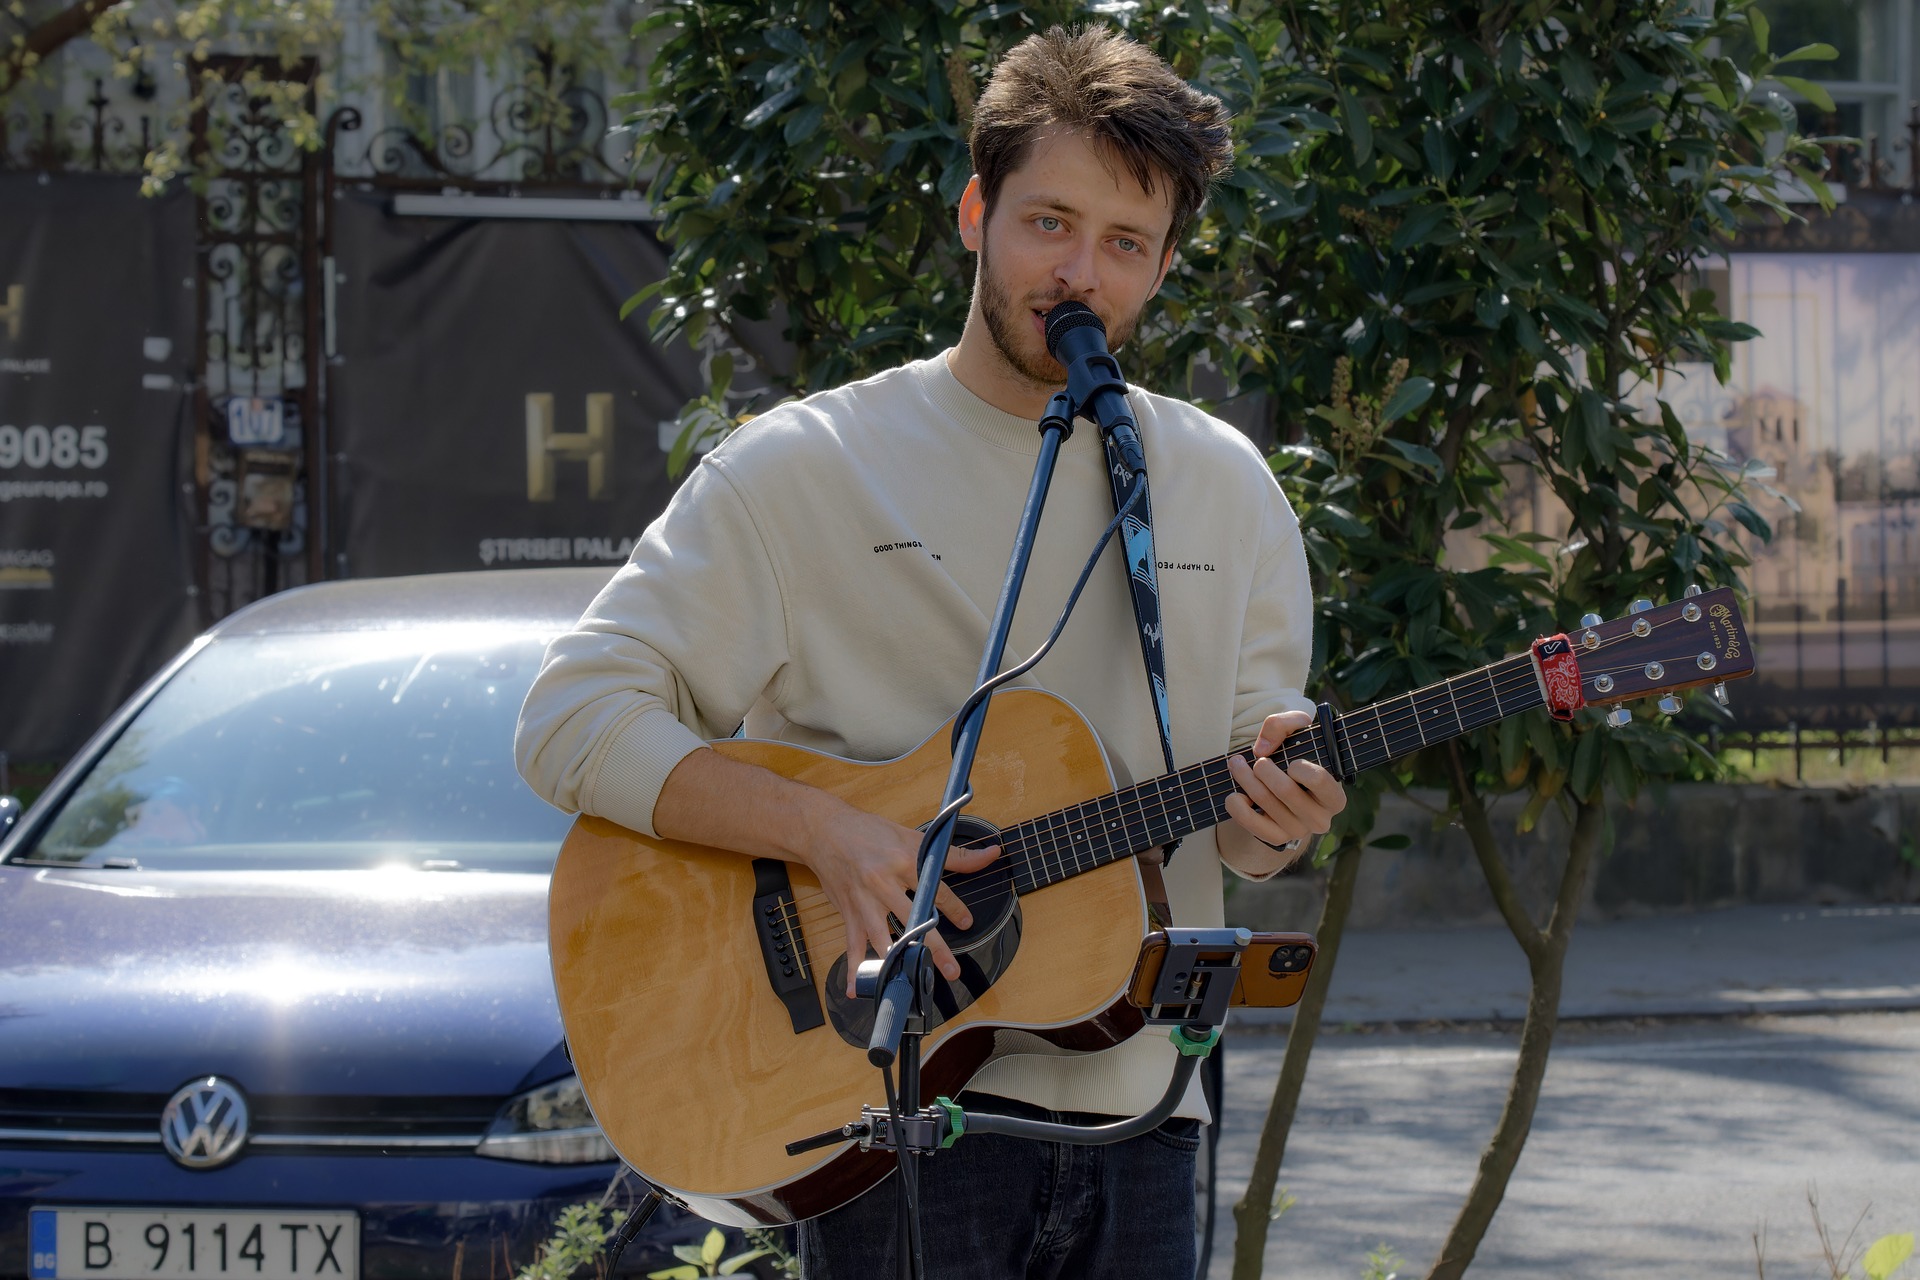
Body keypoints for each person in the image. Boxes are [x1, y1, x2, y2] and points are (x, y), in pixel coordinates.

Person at [516, 24, 1347, 1278]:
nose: (1081, 273)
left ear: (1168, 264)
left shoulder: (1227, 491)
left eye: (1125, 244)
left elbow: (1241, 825)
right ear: (975, 211)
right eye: (1047, 223)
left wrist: (1280, 818)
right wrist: (831, 835)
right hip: (889, 1122)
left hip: (1144, 1126)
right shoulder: (805, 467)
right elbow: (572, 717)